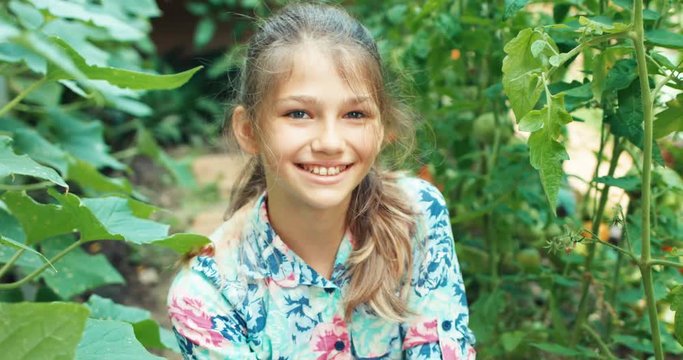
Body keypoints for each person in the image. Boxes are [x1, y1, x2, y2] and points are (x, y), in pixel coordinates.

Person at [167, 2, 476, 359]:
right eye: (299, 113)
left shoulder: (417, 216)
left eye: (354, 114)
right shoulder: (207, 294)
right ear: (249, 131)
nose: (330, 142)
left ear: (380, 129)